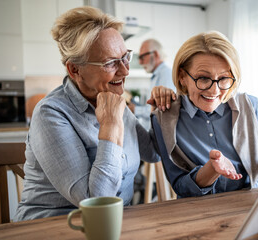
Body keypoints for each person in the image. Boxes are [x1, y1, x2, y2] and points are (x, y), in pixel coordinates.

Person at [14, 6, 161, 221]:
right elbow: (97, 201)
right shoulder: (50, 114)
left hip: (115, 225)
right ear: (75, 70)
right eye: (110, 63)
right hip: (54, 225)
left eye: (125, 57)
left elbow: (153, 153)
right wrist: (110, 126)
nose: (125, 70)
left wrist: (163, 109)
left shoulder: (112, 98)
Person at [149, 31, 258, 198]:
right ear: (182, 76)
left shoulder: (250, 105)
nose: (215, 90)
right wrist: (211, 171)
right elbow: (180, 186)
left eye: (224, 79)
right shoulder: (164, 119)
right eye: (204, 78)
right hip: (200, 211)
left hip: (250, 203)